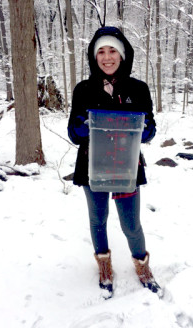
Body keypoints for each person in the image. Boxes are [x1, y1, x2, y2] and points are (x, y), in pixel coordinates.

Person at [68, 26, 162, 298]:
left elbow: (151, 126)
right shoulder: (84, 89)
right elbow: (73, 133)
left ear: (122, 56)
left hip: (127, 165)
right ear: (94, 56)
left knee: (131, 224)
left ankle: (142, 265)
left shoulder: (138, 89)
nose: (107, 57)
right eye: (101, 51)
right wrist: (80, 128)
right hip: (92, 166)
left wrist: (147, 130)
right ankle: (104, 264)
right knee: (98, 219)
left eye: (112, 51)